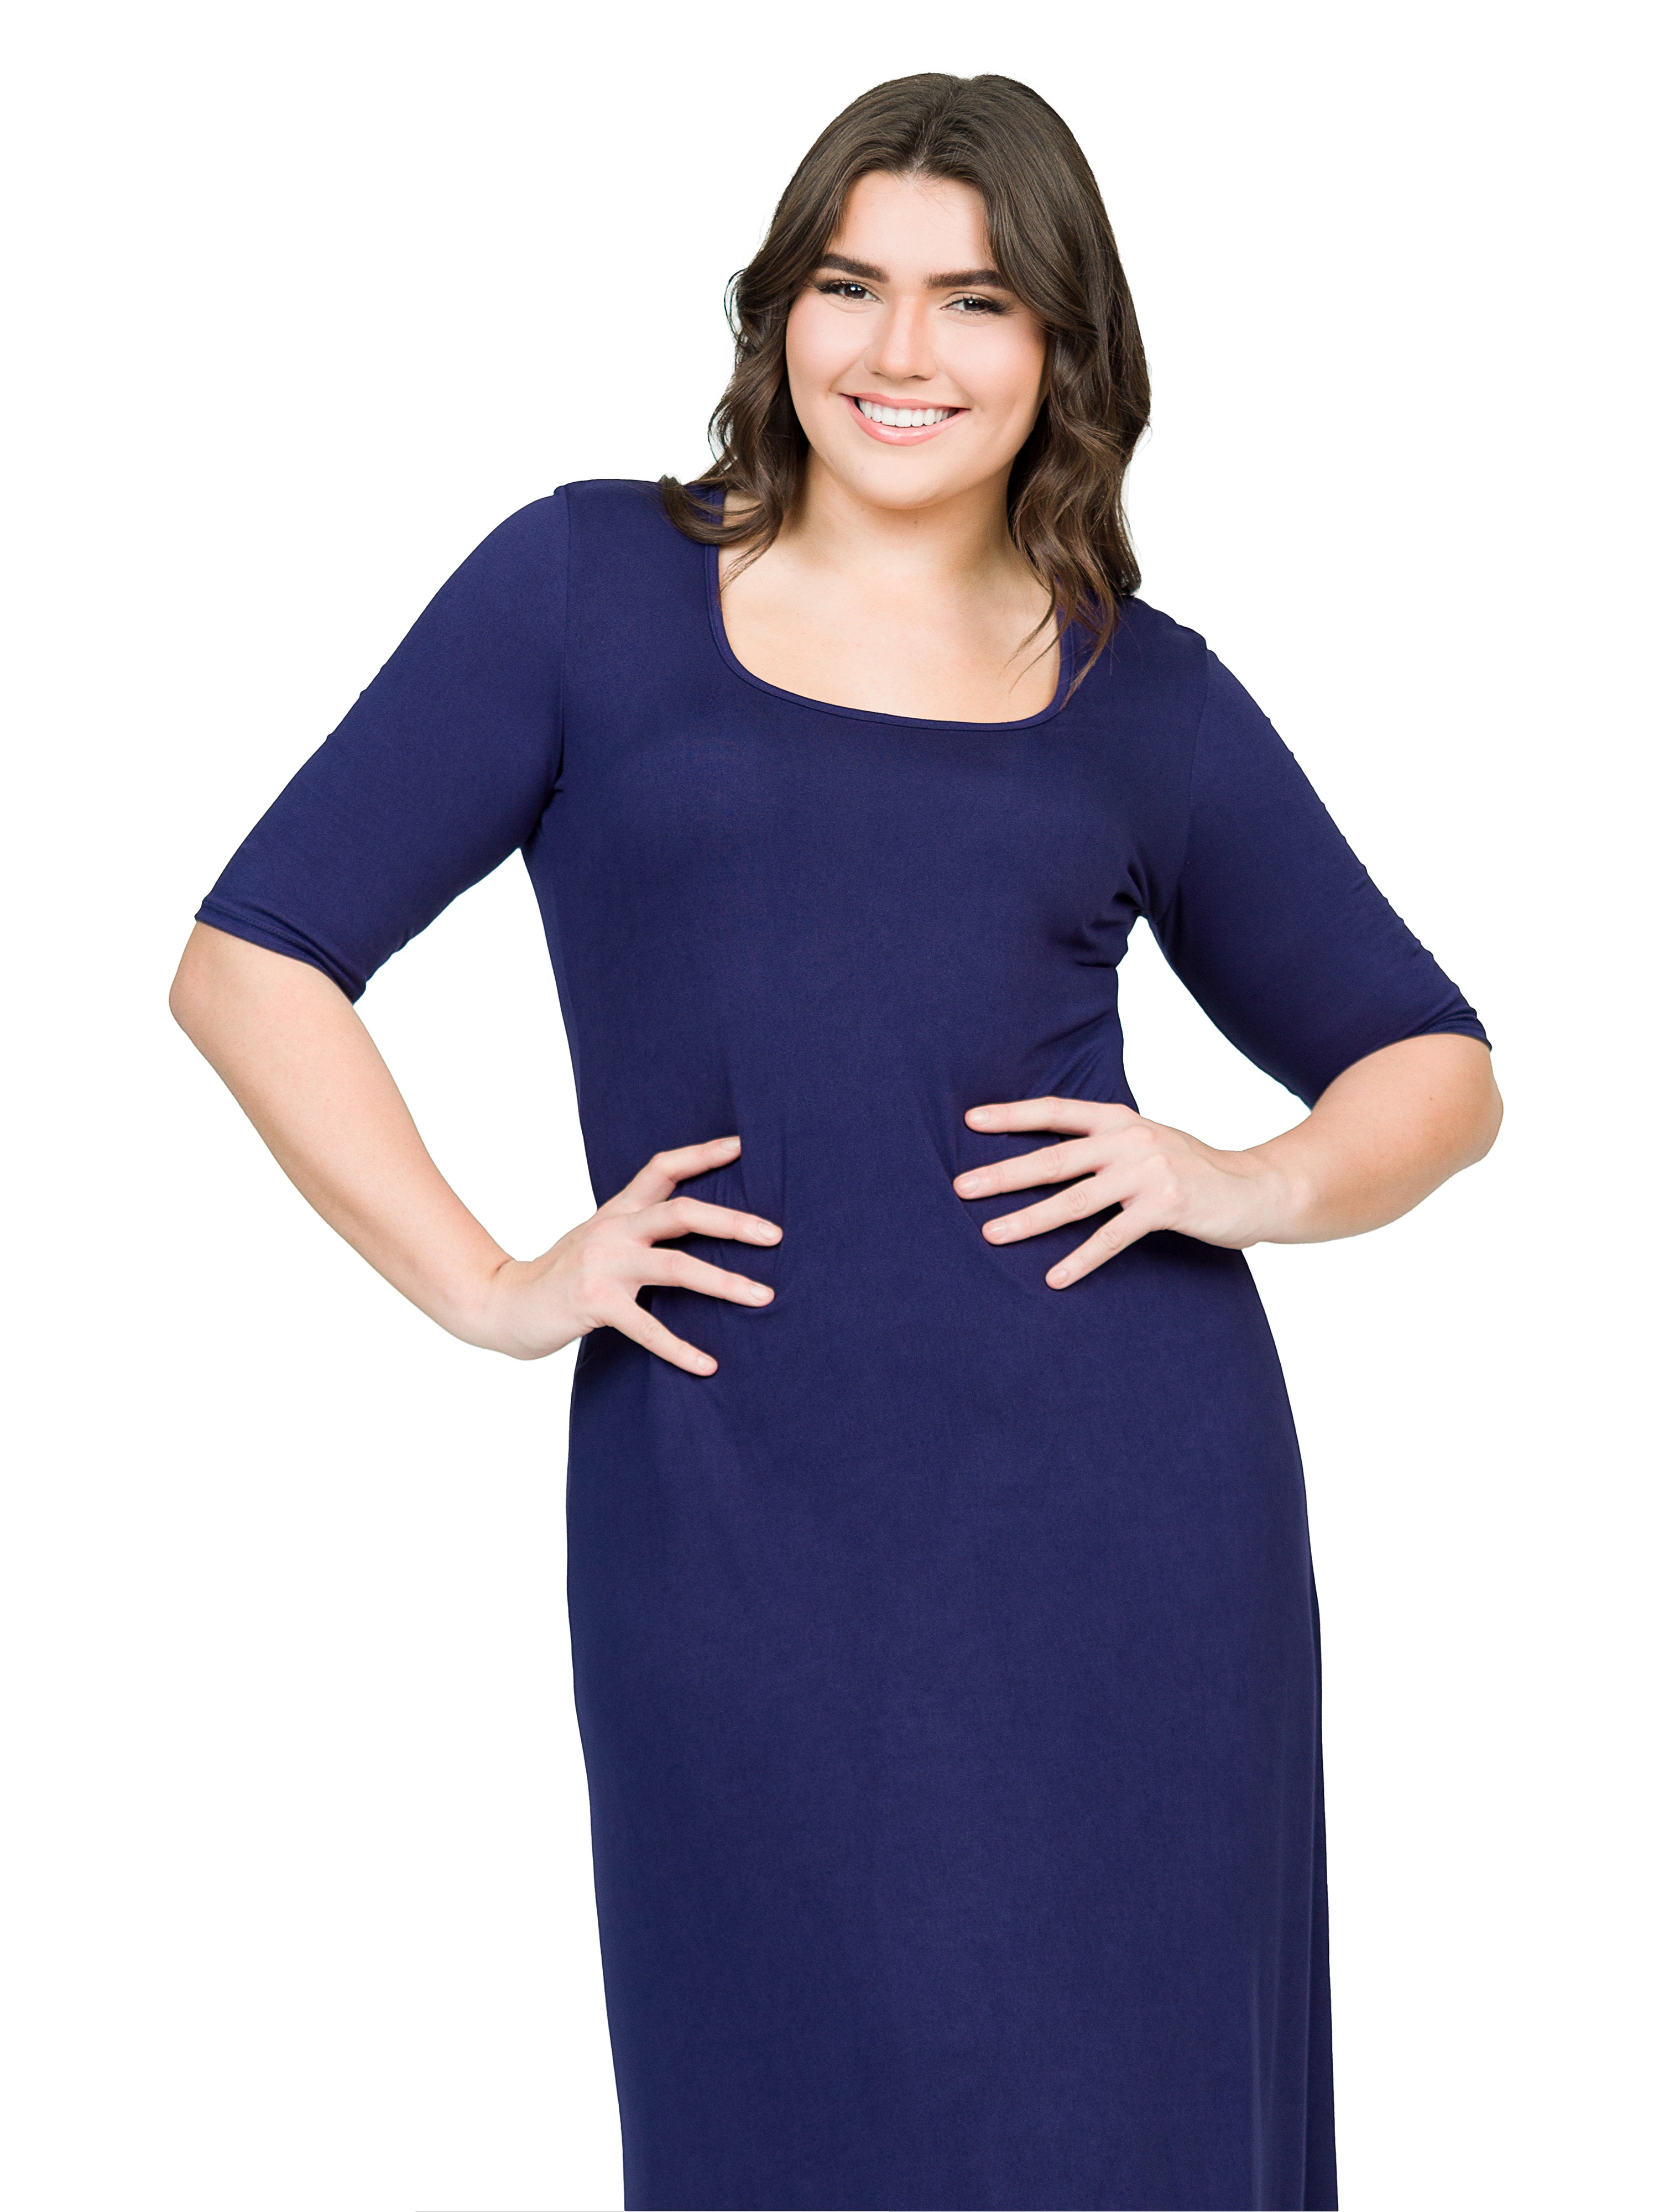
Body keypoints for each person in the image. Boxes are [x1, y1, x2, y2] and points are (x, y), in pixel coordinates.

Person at [170, 71, 1500, 2212]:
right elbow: (253, 961)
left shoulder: (1142, 694)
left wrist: (1238, 1180)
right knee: (774, 2093)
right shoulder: (587, 585)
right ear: (776, 310)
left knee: (1130, 2124)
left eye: (975, 301)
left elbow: (1434, 1065)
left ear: (1060, 344)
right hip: (730, 1507)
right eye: (848, 285)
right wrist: (492, 1284)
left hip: (1129, 1526)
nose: (901, 352)